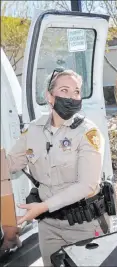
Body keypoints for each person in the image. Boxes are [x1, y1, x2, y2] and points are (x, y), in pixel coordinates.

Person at [6, 69, 106, 266]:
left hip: (83, 224)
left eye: (76, 92)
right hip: (48, 227)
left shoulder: (88, 133)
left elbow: (87, 184)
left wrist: (42, 207)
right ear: (49, 96)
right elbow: (10, 164)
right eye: (64, 90)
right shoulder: (33, 130)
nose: (72, 97)